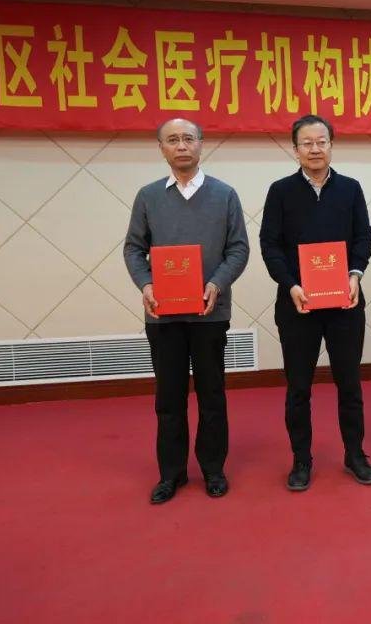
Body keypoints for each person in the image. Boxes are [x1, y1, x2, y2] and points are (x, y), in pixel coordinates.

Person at [124, 118, 249, 504]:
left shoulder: (224, 195)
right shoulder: (148, 196)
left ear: (201, 144)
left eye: (188, 139)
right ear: (161, 148)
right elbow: (133, 248)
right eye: (173, 139)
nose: (181, 146)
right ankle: (171, 473)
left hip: (210, 312)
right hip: (163, 315)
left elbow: (238, 249)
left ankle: (213, 469)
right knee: (169, 398)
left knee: (212, 395)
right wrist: (146, 284)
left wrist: (217, 283)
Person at [259, 114, 371, 492]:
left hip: (345, 303)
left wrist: (355, 274)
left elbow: (363, 238)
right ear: (295, 149)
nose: (315, 149)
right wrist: (291, 285)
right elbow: (270, 245)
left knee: (350, 384)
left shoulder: (350, 189)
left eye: (321, 142)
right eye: (307, 143)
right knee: (298, 388)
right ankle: (301, 460)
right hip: (298, 305)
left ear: (331, 145)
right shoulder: (280, 191)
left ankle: (355, 454)